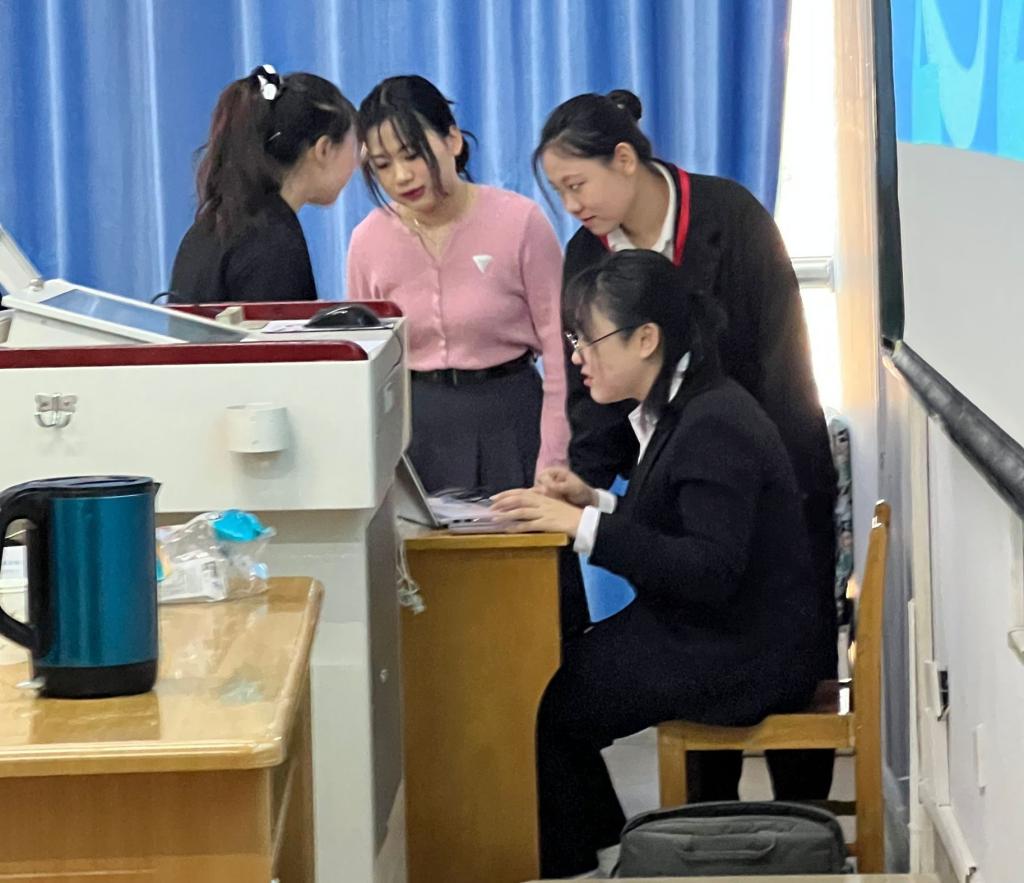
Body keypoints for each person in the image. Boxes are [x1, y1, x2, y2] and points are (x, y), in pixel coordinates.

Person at [534, 90, 838, 801]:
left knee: (767, 660)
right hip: (693, 500)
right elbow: (594, 402)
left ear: (624, 158)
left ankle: (802, 830)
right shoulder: (588, 254)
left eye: (577, 185)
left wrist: (770, 497)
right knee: (677, 664)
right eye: (559, 192)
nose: (571, 206)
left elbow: (785, 373)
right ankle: (704, 831)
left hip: (765, 483)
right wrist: (583, 490)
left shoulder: (731, 218)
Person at [491, 250, 824, 878]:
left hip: (742, 650)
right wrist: (594, 501)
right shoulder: (681, 406)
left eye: (587, 340)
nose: (577, 358)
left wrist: (582, 527)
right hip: (710, 630)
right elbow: (680, 523)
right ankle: (609, 855)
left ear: (646, 339)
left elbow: (708, 570)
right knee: (546, 686)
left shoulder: (715, 421)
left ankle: (586, 864)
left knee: (544, 705)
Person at [346, 75, 568, 494]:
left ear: (452, 139)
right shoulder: (367, 241)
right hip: (415, 430)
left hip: (510, 416)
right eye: (383, 165)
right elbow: (366, 369)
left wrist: (553, 458)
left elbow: (560, 349)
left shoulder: (520, 222)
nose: (401, 176)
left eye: (412, 154)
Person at [170, 65, 358, 303]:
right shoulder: (274, 242)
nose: (357, 164)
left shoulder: (212, 225)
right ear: (324, 149)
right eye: (355, 147)